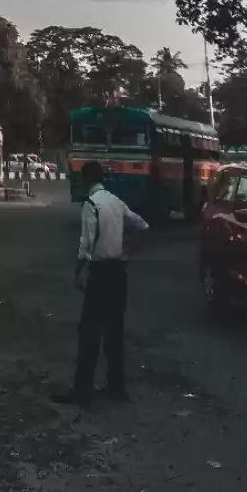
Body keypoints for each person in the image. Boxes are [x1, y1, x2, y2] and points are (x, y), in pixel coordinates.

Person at [55, 161, 148, 408]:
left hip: (100, 274)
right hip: (118, 272)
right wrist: (129, 254)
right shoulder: (115, 201)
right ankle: (116, 386)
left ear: (86, 180)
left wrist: (78, 273)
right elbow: (142, 226)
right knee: (114, 332)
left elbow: (85, 246)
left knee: (89, 333)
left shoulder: (91, 204)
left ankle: (82, 391)